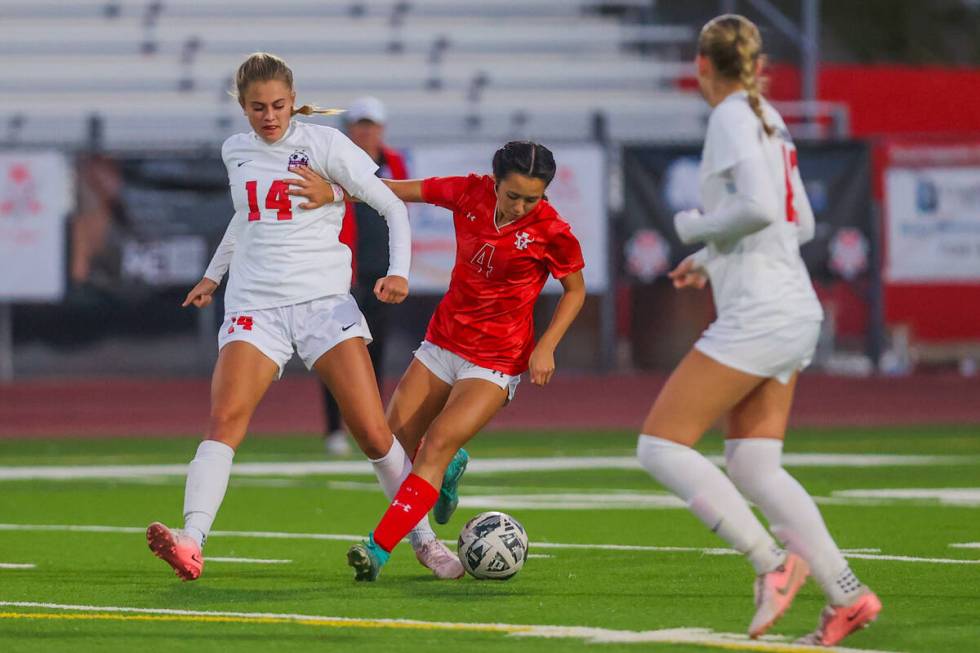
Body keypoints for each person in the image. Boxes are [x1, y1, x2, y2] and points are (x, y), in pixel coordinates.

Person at [144, 52, 462, 582]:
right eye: (256, 107)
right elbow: (247, 219)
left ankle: (424, 539)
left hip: (322, 304)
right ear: (241, 108)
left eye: (277, 105)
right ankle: (191, 540)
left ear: (294, 101)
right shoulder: (235, 151)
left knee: (373, 435)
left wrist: (399, 271)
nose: (268, 116)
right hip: (255, 306)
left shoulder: (325, 144)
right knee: (224, 421)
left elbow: (390, 205)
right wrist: (213, 275)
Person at [634, 15, 881, 647]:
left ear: (701, 66)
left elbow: (763, 210)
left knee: (661, 447)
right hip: (792, 305)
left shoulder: (730, 117)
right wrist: (711, 258)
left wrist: (694, 227)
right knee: (754, 465)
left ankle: (772, 563)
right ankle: (847, 596)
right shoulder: (768, 115)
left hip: (763, 311)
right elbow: (795, 226)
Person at [343, 141, 587, 582]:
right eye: (512, 195)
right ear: (494, 183)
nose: (520, 206)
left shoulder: (552, 230)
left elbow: (576, 290)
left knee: (436, 444)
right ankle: (450, 472)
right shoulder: (468, 192)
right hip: (443, 341)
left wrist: (547, 345)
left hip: (496, 360)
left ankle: (377, 549)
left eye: (532, 198)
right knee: (393, 440)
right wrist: (341, 191)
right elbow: (397, 190)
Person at [321, 97, 410, 456]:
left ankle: (370, 427)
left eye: (371, 125)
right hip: (343, 277)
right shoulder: (335, 164)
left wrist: (398, 269)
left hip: (381, 276)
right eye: (360, 125)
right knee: (336, 352)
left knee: (376, 351)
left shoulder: (395, 164)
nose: (366, 132)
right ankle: (334, 430)